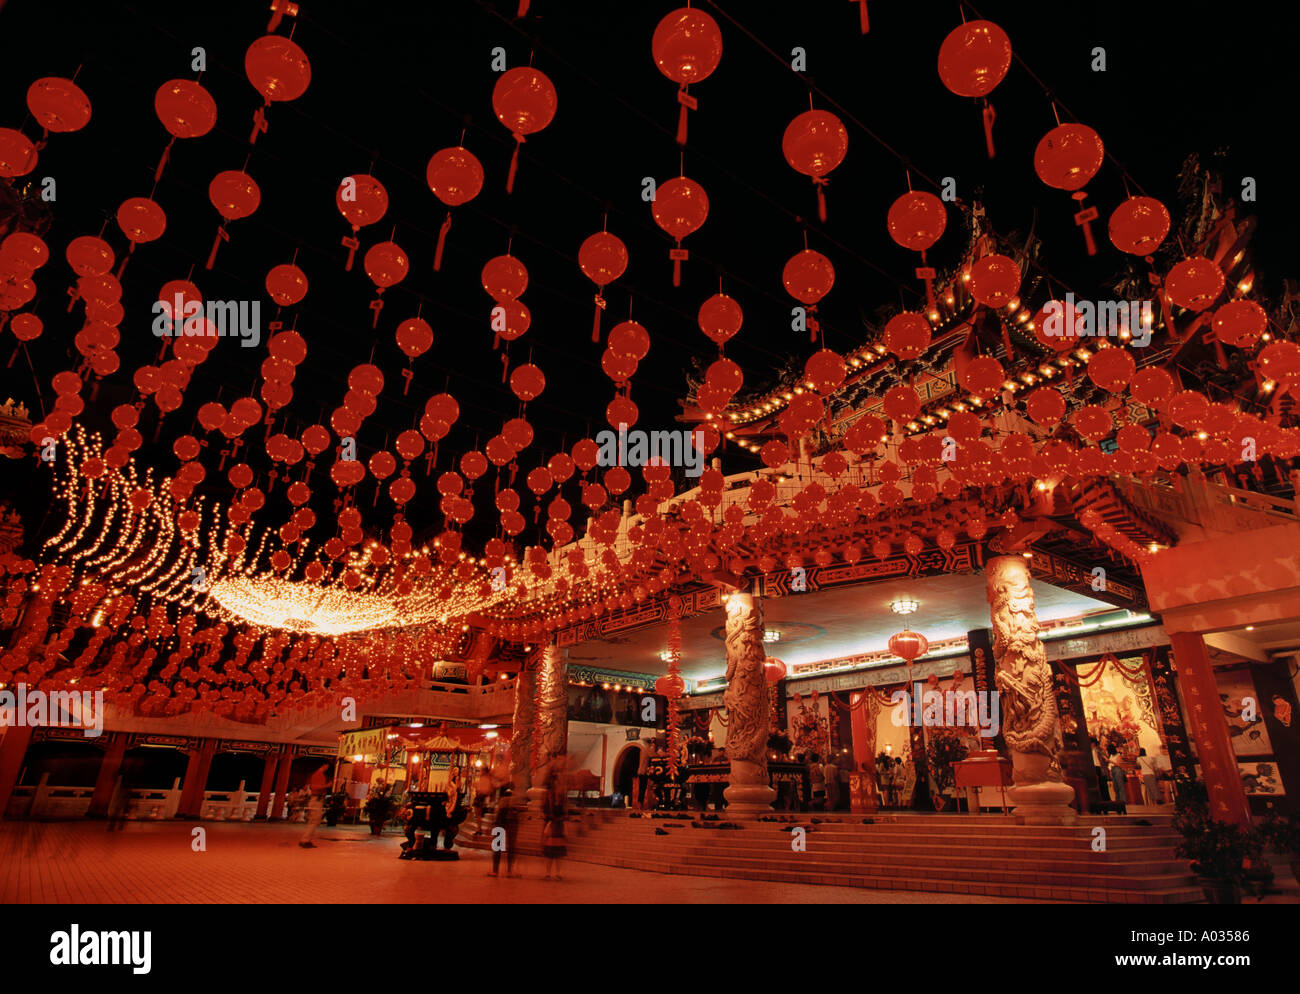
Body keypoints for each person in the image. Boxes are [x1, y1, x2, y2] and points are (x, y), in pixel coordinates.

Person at [488, 788, 520, 877]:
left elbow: (497, 814)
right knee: (511, 848)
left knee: (497, 847)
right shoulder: (514, 802)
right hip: (510, 823)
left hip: (500, 823)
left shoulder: (501, 802)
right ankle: (509, 871)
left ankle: (495, 871)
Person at [542, 772, 567, 880]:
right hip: (551, 824)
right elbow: (545, 808)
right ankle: (548, 872)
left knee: (558, 857)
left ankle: (558, 872)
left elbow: (564, 809)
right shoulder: (548, 795)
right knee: (550, 856)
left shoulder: (560, 796)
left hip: (558, 827)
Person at [299, 764, 330, 848]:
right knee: (314, 821)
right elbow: (314, 787)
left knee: (313, 821)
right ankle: (305, 840)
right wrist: (326, 786)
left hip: (317, 799)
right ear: (324, 766)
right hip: (317, 799)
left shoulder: (318, 775)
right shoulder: (318, 775)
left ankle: (306, 839)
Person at [472, 765, 495, 833]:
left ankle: (479, 829)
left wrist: (477, 787)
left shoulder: (485, 778)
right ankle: (479, 829)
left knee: (478, 814)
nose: (480, 772)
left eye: (481, 770)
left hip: (480, 796)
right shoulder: (486, 778)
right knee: (478, 814)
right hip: (481, 796)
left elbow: (485, 789)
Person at [1108, 746, 1128, 815]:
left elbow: (1119, 764)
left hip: (1117, 770)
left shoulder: (1118, 755)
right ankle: (1118, 801)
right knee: (1115, 787)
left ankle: (1123, 801)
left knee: (1120, 786)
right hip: (1112, 770)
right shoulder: (1111, 755)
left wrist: (1111, 761)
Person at [1090, 736, 1110, 804]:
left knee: (1103, 785)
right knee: (1101, 785)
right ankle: (1104, 799)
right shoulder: (1094, 750)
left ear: (1093, 743)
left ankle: (1106, 800)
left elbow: (1105, 759)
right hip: (1097, 768)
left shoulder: (1097, 750)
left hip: (1099, 768)